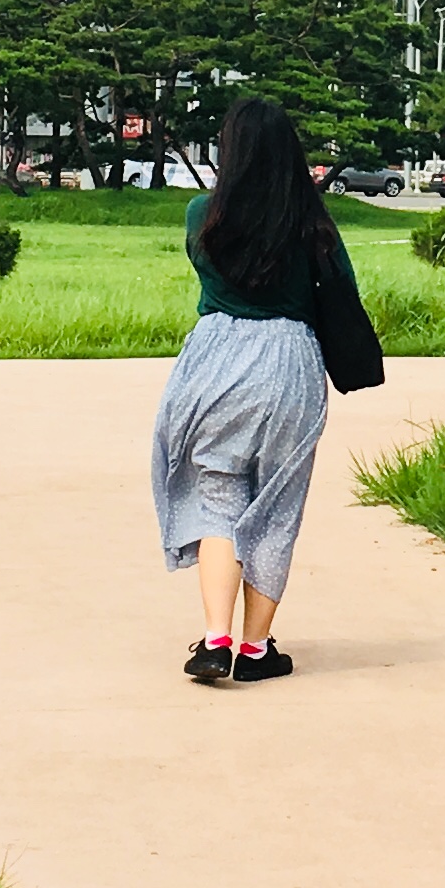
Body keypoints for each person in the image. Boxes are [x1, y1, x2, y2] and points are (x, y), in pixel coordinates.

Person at [156, 95, 358, 687]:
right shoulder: (313, 222)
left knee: (217, 497)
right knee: (275, 505)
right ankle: (255, 648)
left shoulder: (202, 214)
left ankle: (214, 640)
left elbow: (210, 269)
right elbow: (341, 291)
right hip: (290, 362)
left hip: (216, 358)